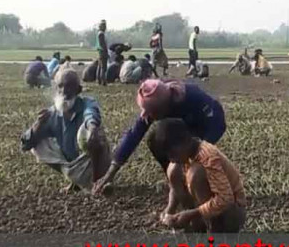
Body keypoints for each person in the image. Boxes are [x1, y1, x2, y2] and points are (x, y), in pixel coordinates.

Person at [92, 79, 226, 194]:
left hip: (201, 128)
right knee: (156, 140)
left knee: (197, 165)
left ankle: (201, 182)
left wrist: (201, 150)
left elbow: (217, 123)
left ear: (164, 106)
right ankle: (175, 180)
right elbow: (134, 135)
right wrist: (110, 174)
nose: (151, 117)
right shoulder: (156, 104)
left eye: (154, 113)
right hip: (181, 130)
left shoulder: (192, 97)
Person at [20, 69, 111, 192]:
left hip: (91, 164)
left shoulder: (86, 104)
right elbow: (26, 144)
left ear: (78, 90)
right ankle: (75, 181)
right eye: (60, 86)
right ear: (56, 89)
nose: (64, 92)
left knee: (95, 136)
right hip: (73, 164)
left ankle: (96, 182)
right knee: (38, 142)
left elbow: (91, 114)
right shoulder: (52, 114)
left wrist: (92, 127)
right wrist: (38, 124)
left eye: (69, 86)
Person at [151, 119, 246, 232]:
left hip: (232, 213)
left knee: (195, 174)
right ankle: (197, 228)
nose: (172, 159)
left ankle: (214, 230)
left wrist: (193, 214)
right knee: (173, 169)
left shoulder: (208, 157)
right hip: (205, 210)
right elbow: (174, 187)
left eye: (173, 154)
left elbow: (226, 199)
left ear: (185, 141)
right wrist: (169, 209)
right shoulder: (185, 155)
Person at [96, 20, 108, 86]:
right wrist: (106, 52)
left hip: (100, 52)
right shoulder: (101, 34)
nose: (105, 28)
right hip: (103, 52)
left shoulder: (99, 33)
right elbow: (103, 44)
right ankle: (103, 81)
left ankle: (99, 80)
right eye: (104, 26)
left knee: (100, 66)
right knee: (103, 67)